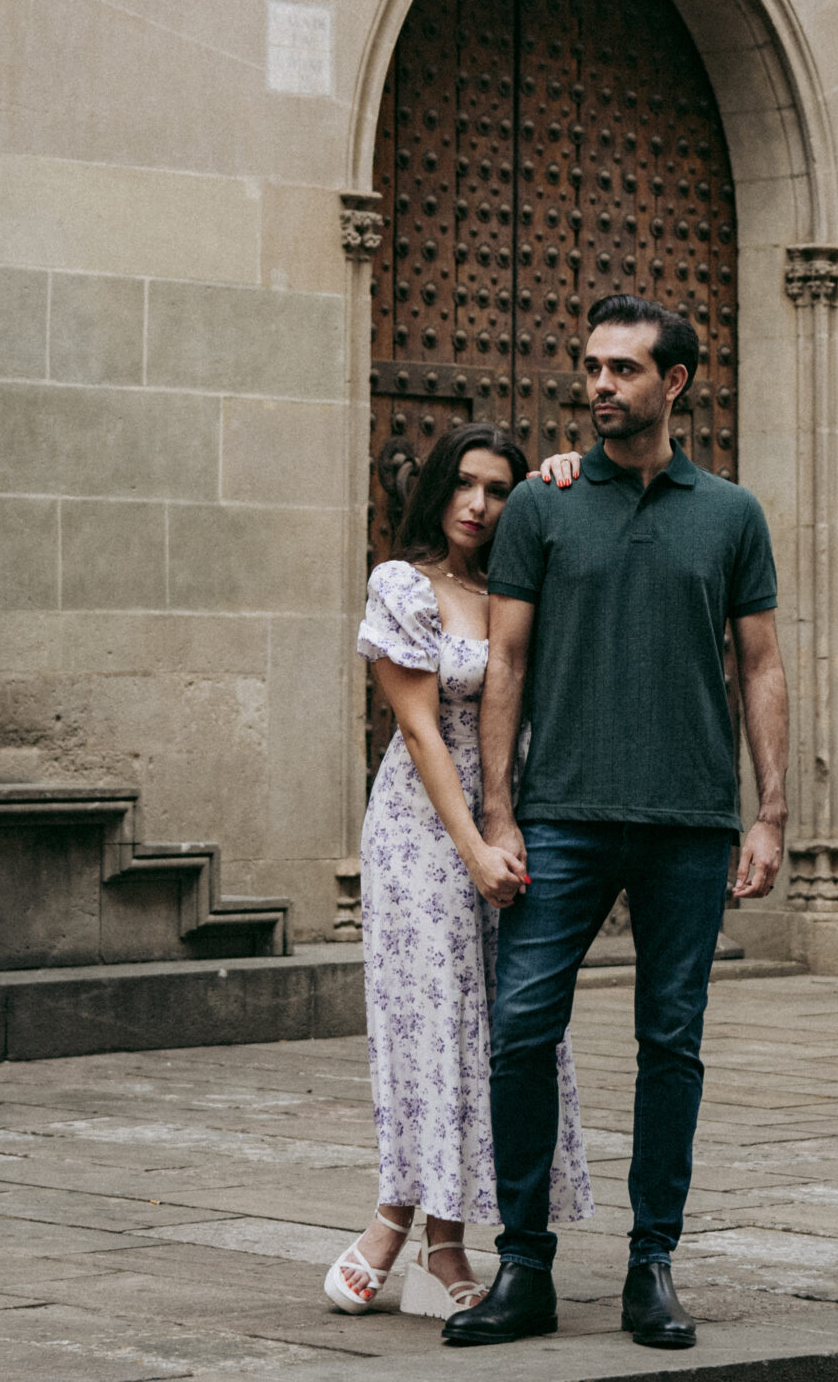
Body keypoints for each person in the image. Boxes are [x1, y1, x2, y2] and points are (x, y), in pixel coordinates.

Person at [442, 295, 790, 1353]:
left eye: (623, 369)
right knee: (521, 1030)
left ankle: (653, 1266)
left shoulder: (731, 514)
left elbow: (762, 663)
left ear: (674, 381)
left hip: (690, 817)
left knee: (670, 1044)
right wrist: (500, 808)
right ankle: (526, 1268)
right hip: (563, 816)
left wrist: (769, 813)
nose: (599, 385)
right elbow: (504, 662)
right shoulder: (545, 507)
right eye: (591, 365)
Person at [324, 424, 593, 1320]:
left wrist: (568, 474)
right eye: (465, 486)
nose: (479, 506)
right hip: (423, 829)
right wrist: (473, 844)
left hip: (514, 818)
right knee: (432, 1023)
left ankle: (400, 1229)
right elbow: (419, 729)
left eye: (500, 490)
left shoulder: (519, 587)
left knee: (509, 1027)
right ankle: (437, 1246)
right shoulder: (403, 585)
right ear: (438, 490)